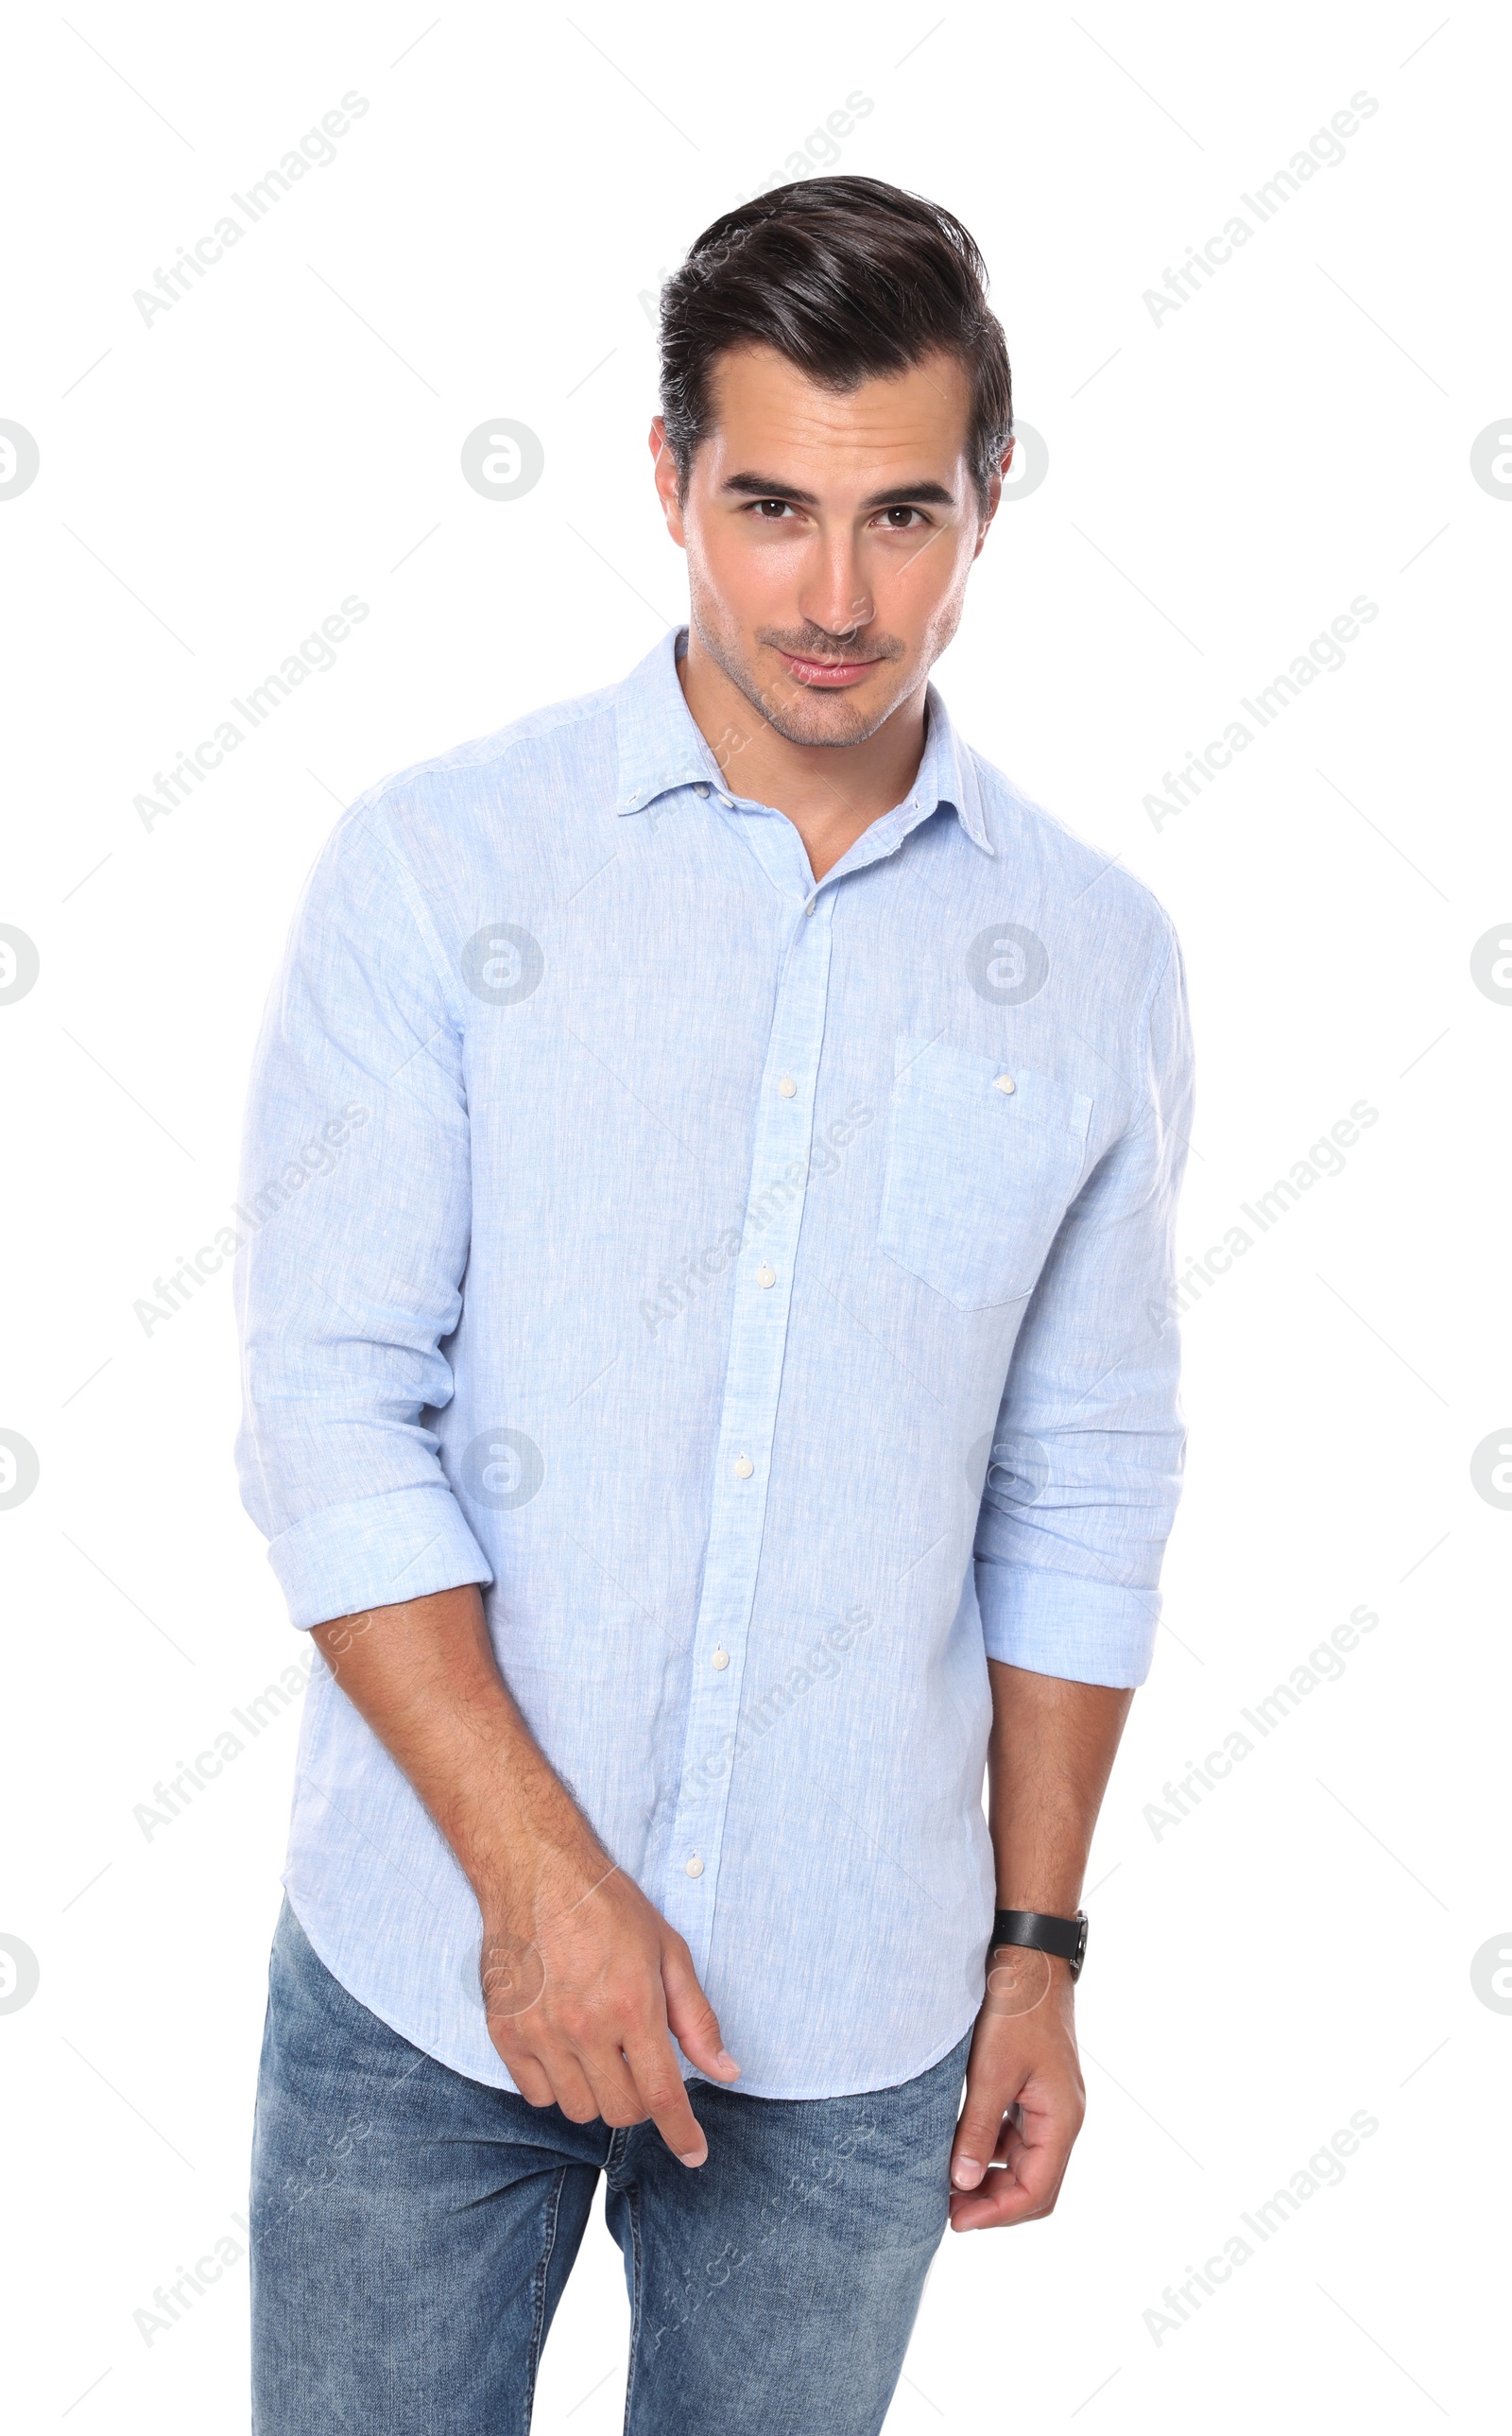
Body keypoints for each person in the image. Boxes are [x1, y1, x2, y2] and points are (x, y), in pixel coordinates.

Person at [236, 173, 1194, 2435]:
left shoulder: (1092, 952)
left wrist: (1037, 1956)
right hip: (425, 1974)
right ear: (667, 478)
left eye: (901, 516)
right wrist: (539, 1883)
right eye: (768, 504)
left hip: (855, 2007)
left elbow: (1082, 1478)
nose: (835, 597)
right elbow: (327, 1410)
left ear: (988, 504)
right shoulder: (441, 864)